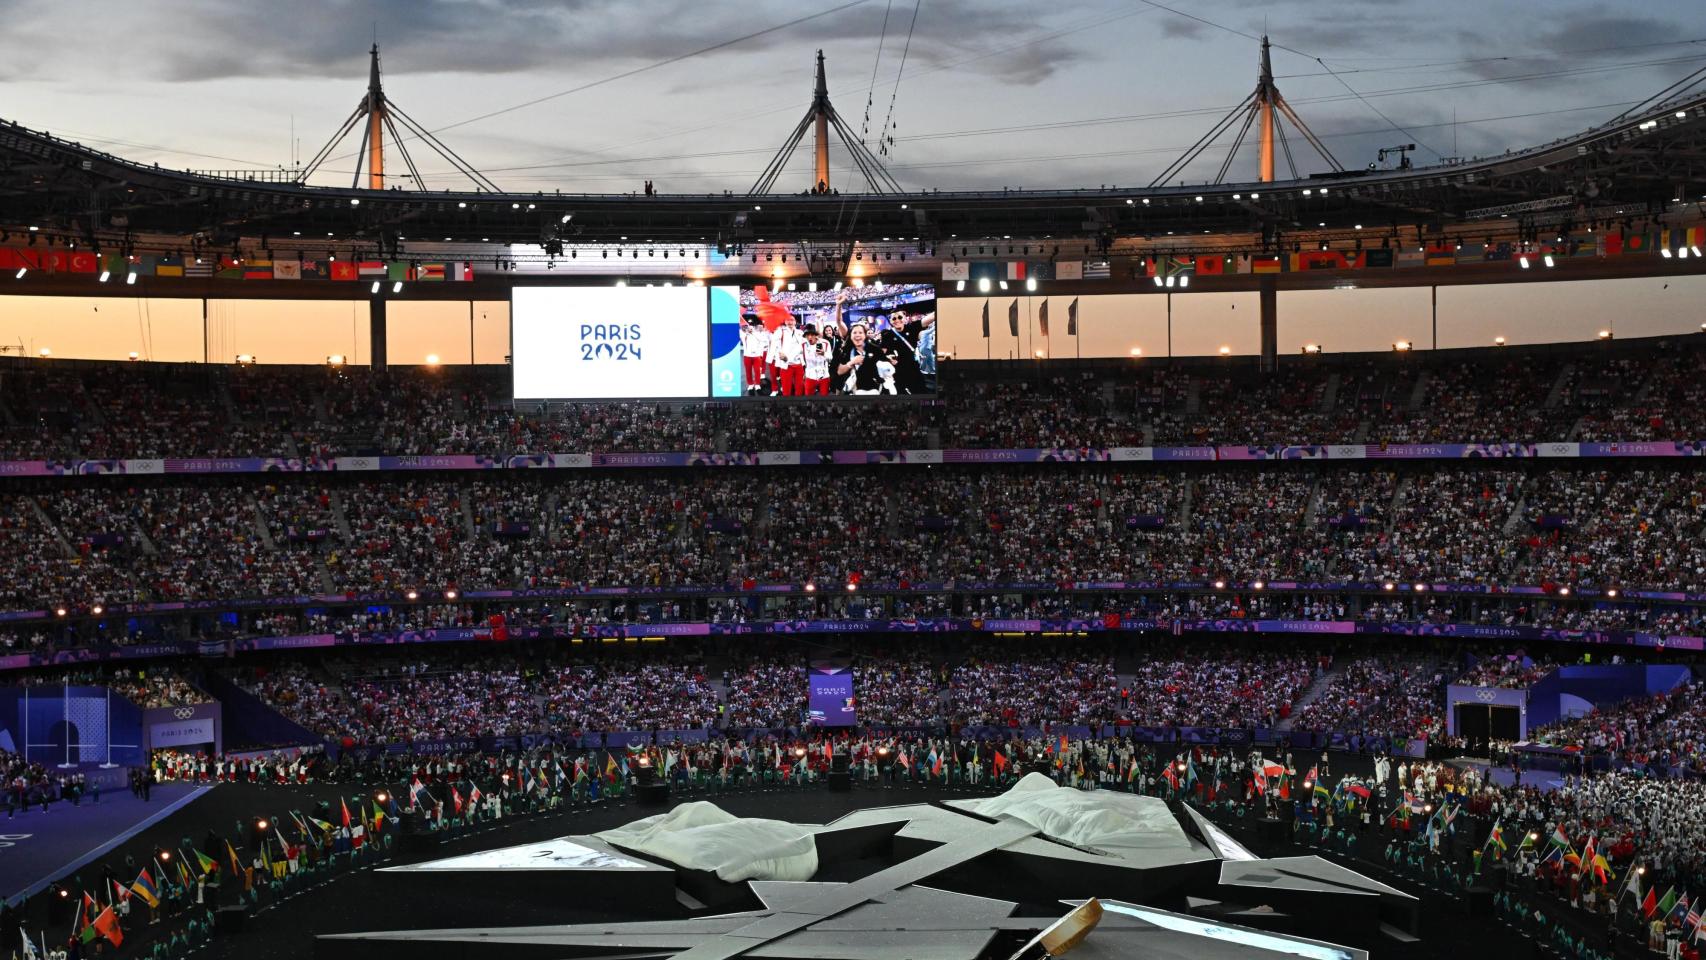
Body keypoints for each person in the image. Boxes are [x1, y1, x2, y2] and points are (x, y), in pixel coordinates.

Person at [739, 317, 771, 395]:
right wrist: (746, 331)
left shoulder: (757, 334)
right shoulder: (743, 334)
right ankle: (750, 384)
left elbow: (763, 340)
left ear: (753, 328)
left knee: (757, 371)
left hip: (756, 356)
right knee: (748, 371)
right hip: (747, 356)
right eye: (747, 327)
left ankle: (757, 384)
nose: (749, 328)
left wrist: (753, 333)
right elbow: (740, 332)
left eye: (751, 327)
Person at [801, 326, 832, 396]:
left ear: (815, 335)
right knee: (809, 399)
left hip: (824, 375)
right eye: (807, 335)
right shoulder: (803, 345)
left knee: (824, 399)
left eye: (811, 335)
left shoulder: (825, 343)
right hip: (810, 375)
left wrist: (824, 354)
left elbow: (830, 358)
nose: (809, 337)